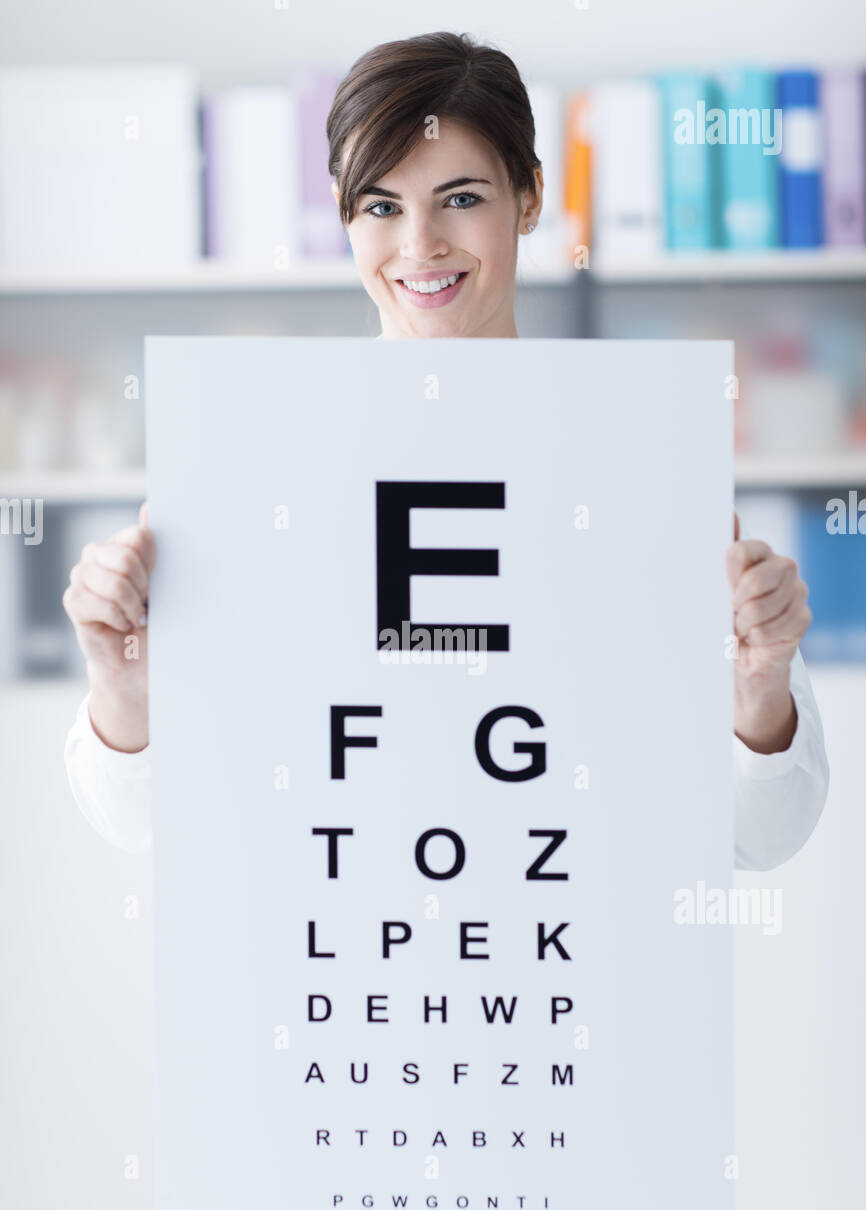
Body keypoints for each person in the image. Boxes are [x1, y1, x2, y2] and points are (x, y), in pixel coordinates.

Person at [63, 31, 829, 868]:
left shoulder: (639, 457)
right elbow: (147, 830)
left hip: (566, 968)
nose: (420, 243)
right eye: (382, 206)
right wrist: (126, 687)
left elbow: (763, 838)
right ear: (344, 214)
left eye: (461, 198)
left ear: (530, 198)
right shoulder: (257, 465)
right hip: (339, 970)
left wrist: (759, 690)